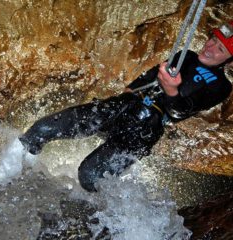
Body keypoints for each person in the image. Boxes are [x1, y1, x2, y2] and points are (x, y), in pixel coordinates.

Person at [18, 21, 233, 192]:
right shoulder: (185, 55)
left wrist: (171, 91)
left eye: (220, 48)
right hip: (124, 106)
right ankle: (11, 169)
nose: (210, 47)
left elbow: (181, 111)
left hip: (144, 130)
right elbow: (148, 76)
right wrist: (127, 93)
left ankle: (99, 219)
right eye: (213, 40)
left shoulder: (221, 86)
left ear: (229, 60)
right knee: (43, 129)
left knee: (89, 176)